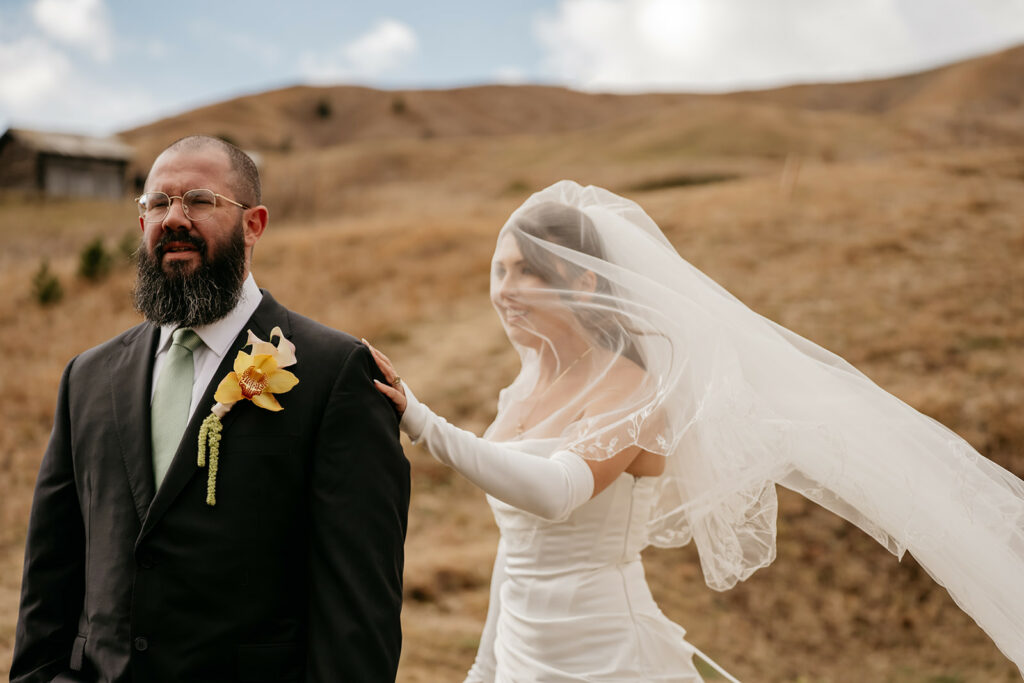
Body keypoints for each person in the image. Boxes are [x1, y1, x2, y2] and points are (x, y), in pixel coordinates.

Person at [366, 180, 1024, 681]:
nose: (505, 287)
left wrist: (425, 424)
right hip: (521, 654)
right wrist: (486, 668)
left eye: (528, 269)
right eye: (501, 269)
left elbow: (557, 492)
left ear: (585, 280)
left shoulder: (638, 387)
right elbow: (516, 555)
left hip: (609, 655)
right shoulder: (522, 390)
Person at [11, 135, 410, 683]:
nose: (174, 218)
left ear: (254, 224)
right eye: (157, 203)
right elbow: (49, 577)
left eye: (199, 200)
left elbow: (359, 612)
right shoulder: (87, 376)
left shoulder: (334, 372)